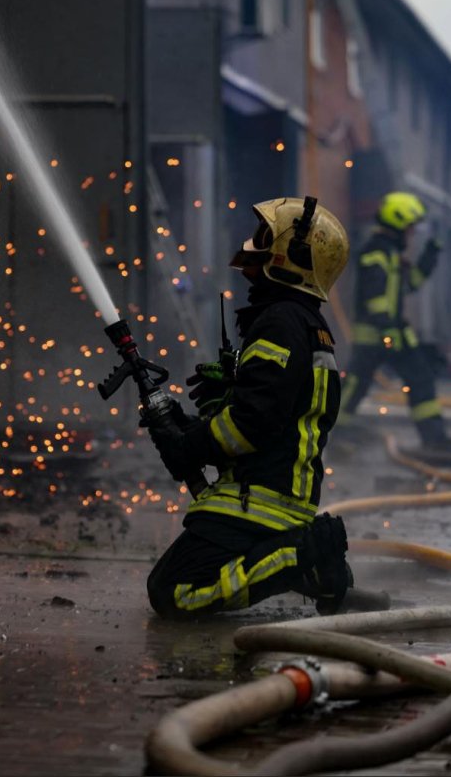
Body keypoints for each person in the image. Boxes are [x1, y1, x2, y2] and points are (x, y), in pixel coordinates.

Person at [142, 195, 352, 618]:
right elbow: (272, 408)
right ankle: (310, 567)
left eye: (265, 237)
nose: (254, 245)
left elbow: (252, 423)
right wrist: (194, 421)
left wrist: (191, 445)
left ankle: (302, 555)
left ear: (292, 256)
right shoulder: (306, 323)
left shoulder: (280, 321)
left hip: (259, 500)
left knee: (174, 592)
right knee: (172, 584)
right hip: (270, 493)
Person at [338, 190, 451, 452]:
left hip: (392, 332)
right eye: (411, 227)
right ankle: (333, 432)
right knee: (356, 384)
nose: (412, 233)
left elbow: (409, 285)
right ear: (398, 221)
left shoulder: (392, 254)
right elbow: (374, 294)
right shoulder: (375, 252)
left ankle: (435, 439)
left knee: (420, 377)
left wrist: (430, 255)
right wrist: (387, 327)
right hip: (373, 334)